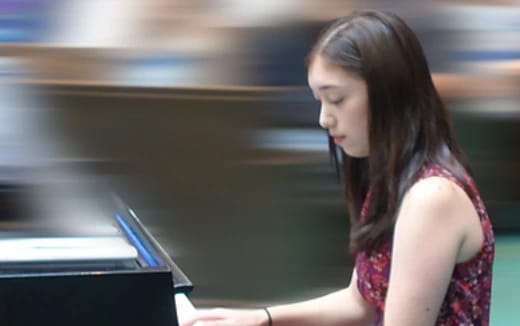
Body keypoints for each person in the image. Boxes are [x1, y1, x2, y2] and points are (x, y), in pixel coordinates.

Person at [181, 9, 494, 326]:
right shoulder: (393, 181)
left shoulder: (432, 198)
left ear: (388, 94)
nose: (323, 119)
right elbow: (360, 302)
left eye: (337, 99)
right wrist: (262, 318)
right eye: (320, 100)